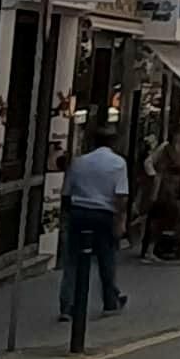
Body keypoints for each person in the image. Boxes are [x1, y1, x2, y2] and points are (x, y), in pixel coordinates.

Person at [60, 129, 129, 326]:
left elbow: (66, 193)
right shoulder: (118, 163)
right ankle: (109, 302)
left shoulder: (79, 162)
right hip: (103, 214)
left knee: (72, 261)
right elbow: (121, 196)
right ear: (113, 143)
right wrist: (120, 221)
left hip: (79, 212)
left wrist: (68, 217)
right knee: (106, 258)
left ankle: (67, 306)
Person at [143, 138, 180, 261]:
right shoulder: (165, 149)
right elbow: (149, 162)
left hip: (174, 189)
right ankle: (153, 249)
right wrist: (155, 176)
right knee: (161, 219)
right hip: (167, 189)